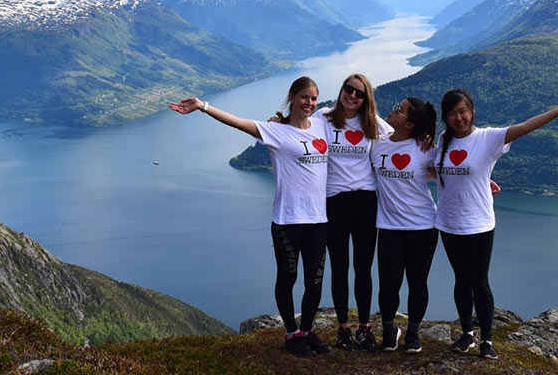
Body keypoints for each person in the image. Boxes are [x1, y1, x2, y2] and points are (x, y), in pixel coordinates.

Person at [169, 76, 332, 359]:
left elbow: (356, 109)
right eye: (304, 97)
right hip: (287, 220)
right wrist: (202, 106)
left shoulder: (322, 124)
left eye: (314, 98)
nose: (310, 103)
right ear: (291, 97)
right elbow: (236, 121)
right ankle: (292, 334)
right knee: (288, 276)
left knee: (315, 281)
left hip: (318, 219)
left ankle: (307, 331)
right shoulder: (275, 131)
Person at [434, 89, 558, 360]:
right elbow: (443, 171)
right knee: (461, 281)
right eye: (452, 113)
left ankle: (486, 339)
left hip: (479, 224)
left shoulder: (488, 138)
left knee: (479, 282)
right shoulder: (443, 140)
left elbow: (526, 127)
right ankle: (466, 334)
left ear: (472, 112)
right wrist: (484, 181)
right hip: (449, 223)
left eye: (463, 111)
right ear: (445, 117)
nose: (458, 117)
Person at [314, 74, 392, 352]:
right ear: (342, 90)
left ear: (365, 99)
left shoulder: (372, 123)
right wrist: (279, 122)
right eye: (349, 90)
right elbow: (297, 130)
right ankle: (343, 328)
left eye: (360, 94)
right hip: (334, 201)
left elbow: (402, 140)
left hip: (365, 202)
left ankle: (364, 327)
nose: (353, 96)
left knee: (363, 266)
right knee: (339, 266)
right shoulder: (323, 117)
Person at [370, 97, 440, 354]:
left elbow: (454, 169)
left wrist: (485, 182)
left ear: (410, 123)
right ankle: (389, 329)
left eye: (399, 109)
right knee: (388, 284)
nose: (393, 109)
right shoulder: (377, 145)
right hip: (389, 227)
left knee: (417, 282)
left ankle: (413, 331)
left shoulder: (426, 148)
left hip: (423, 226)